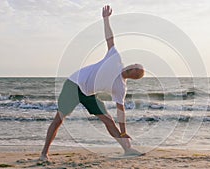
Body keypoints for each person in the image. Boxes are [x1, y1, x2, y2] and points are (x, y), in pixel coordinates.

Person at [40, 5, 145, 161]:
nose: (133, 68)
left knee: (108, 120)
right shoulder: (115, 58)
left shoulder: (120, 87)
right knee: (59, 120)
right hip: (73, 85)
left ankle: (127, 149)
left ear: (134, 76)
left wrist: (123, 131)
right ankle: (44, 154)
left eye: (136, 70)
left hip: (88, 93)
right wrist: (106, 19)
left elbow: (120, 110)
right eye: (134, 66)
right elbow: (110, 39)